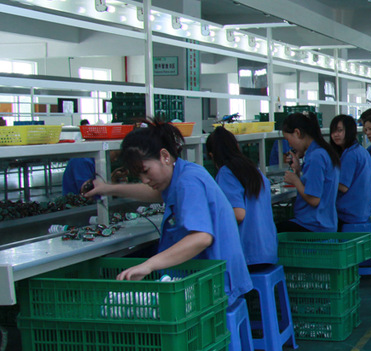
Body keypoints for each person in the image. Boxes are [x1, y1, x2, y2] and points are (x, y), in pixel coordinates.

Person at [85, 120, 252, 303]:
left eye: (146, 171)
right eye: (139, 176)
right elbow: (154, 193)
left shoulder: (188, 182)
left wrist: (149, 265)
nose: (145, 180)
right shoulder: (183, 173)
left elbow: (201, 238)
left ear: (164, 156)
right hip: (210, 279)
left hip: (215, 288)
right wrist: (107, 189)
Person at [206, 127, 276, 268]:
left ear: (212, 155)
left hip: (249, 257)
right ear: (237, 147)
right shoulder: (255, 171)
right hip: (268, 252)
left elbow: (238, 214)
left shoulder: (226, 173)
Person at [279, 113, 339, 233]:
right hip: (323, 221)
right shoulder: (322, 151)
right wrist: (298, 171)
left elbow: (314, 199)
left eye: (288, 140)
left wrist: (295, 180)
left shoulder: (316, 157)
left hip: (314, 225)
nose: (289, 145)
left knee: (273, 232)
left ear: (297, 133)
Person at [329, 114, 371, 226]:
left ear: (349, 131)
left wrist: (323, 179)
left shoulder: (350, 154)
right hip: (362, 210)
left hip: (350, 213)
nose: (335, 134)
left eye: (340, 130)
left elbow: (343, 187)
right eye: (333, 131)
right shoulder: (360, 150)